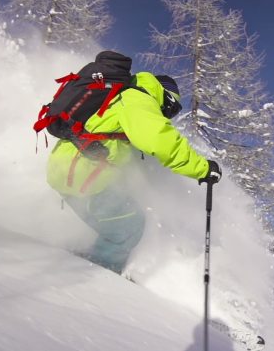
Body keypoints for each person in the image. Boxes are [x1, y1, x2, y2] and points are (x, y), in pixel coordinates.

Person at [45, 64, 222, 274]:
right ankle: (97, 274)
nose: (168, 116)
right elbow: (161, 141)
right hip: (80, 175)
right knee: (130, 226)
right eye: (171, 109)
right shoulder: (138, 100)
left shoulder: (125, 98)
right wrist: (202, 169)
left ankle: (87, 257)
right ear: (166, 97)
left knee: (123, 217)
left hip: (72, 170)